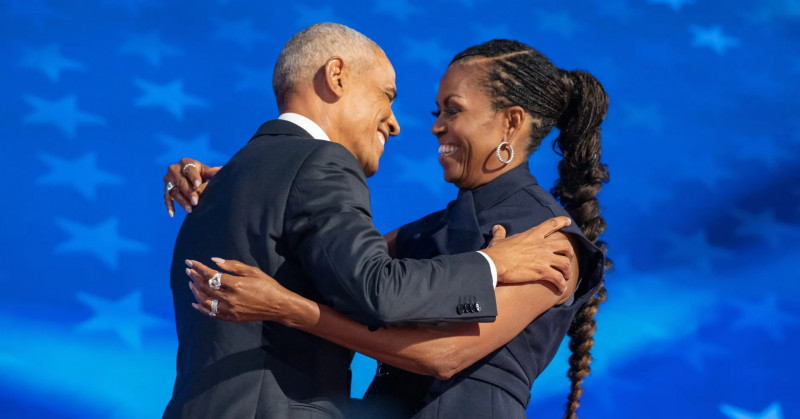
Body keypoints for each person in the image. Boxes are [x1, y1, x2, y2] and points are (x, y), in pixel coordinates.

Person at [169, 39, 610, 418]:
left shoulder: (549, 243)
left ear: (511, 122)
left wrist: (293, 310)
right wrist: (250, 183)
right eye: (438, 111)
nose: (435, 126)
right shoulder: (424, 232)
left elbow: (443, 355)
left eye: (453, 110)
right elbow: (322, 261)